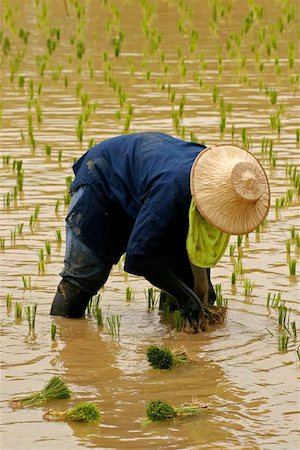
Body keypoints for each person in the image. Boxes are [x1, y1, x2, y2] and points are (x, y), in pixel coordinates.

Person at [50, 132, 270, 328]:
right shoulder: (172, 190)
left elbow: (196, 239)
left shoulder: (209, 178)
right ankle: (63, 336)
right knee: (83, 278)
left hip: (148, 184)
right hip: (103, 180)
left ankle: (173, 341)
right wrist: (185, 296)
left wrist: (200, 283)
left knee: (186, 282)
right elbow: (141, 256)